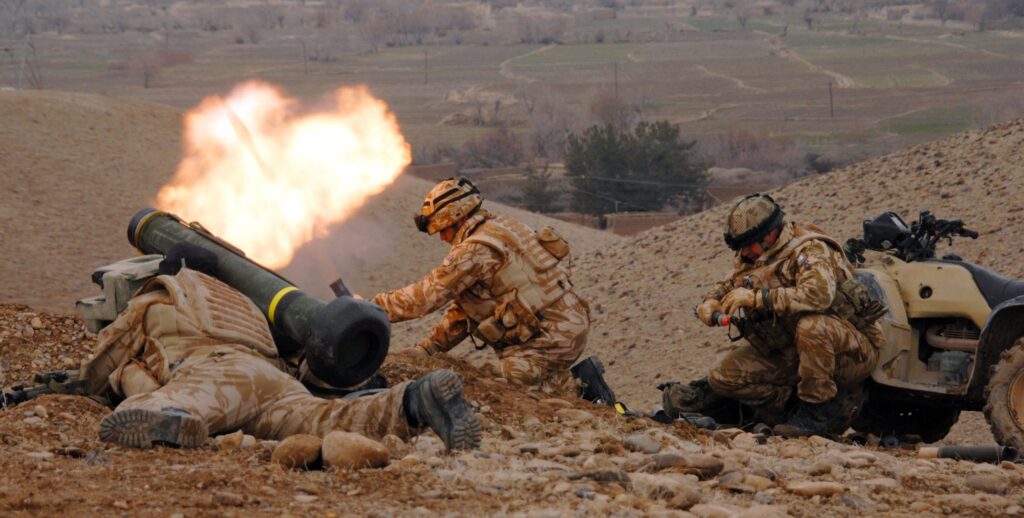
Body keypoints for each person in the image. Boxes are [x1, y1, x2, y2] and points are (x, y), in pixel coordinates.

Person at [89, 250, 481, 450]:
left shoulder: (161, 295)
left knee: (165, 404)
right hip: (275, 382)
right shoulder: (246, 304)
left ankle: (171, 416)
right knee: (327, 420)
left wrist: (84, 383)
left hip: (216, 371)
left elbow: (109, 352)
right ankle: (414, 401)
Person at [371, 177, 592, 395]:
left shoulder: (473, 252)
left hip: (549, 341)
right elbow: (468, 309)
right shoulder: (504, 226)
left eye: (443, 229)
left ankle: (577, 387)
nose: (442, 238)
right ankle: (573, 379)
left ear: (458, 218)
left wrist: (371, 308)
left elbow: (423, 299)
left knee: (504, 388)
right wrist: (430, 348)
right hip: (571, 321)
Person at [691, 193, 886, 437]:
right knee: (722, 376)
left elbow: (818, 296)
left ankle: (818, 412)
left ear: (770, 234)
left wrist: (757, 298)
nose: (745, 252)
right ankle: (791, 406)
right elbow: (732, 282)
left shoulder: (811, 249)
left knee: (812, 326)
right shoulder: (756, 255)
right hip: (792, 352)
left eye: (749, 244)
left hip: (850, 352)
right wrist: (711, 301)